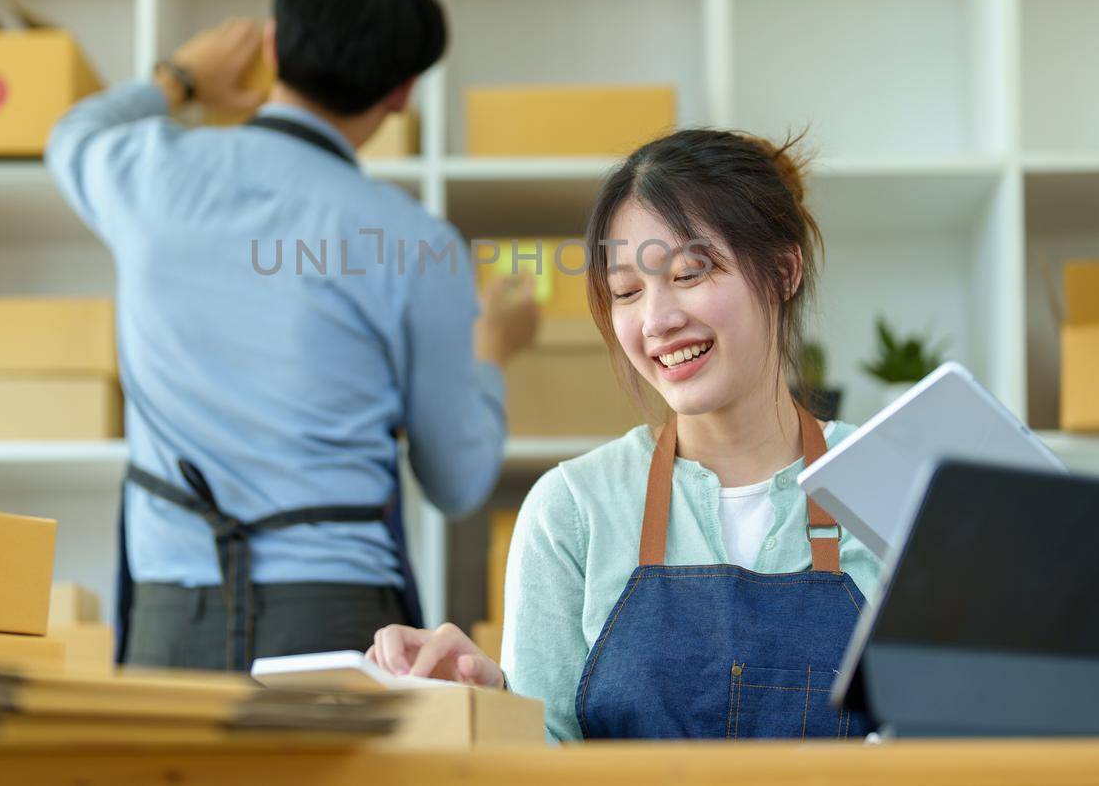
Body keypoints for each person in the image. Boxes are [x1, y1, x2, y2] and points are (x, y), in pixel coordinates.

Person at [47, 0, 539, 671]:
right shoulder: (418, 244)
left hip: (169, 618)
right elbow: (458, 479)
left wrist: (181, 78)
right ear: (402, 90)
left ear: (273, 44)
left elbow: (71, 135)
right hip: (340, 621)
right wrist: (492, 351)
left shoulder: (150, 173)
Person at [365, 128, 882, 741]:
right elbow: (541, 763)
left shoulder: (894, 486)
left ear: (783, 270)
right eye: (626, 292)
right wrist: (487, 707)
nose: (657, 320)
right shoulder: (573, 511)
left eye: (690, 273)